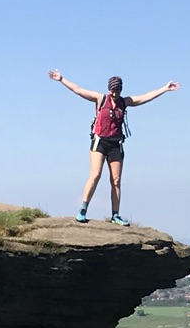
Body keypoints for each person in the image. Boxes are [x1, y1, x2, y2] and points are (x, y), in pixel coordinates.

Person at [47, 69, 178, 223]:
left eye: (117, 90)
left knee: (116, 181)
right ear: (109, 89)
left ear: (121, 90)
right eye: (113, 89)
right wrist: (62, 79)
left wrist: (165, 88)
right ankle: (82, 210)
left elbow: (145, 97)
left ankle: (115, 215)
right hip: (99, 142)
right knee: (95, 175)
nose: (115, 93)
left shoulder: (125, 102)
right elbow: (78, 90)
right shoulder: (100, 99)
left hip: (116, 144)